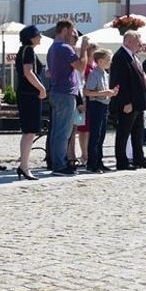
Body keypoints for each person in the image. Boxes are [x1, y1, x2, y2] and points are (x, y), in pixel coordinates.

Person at [47, 20, 89, 175]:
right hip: (65, 93)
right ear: (64, 30)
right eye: (72, 32)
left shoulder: (53, 48)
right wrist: (84, 49)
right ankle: (59, 165)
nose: (74, 35)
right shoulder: (64, 48)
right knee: (64, 132)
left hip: (57, 92)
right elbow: (81, 66)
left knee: (57, 131)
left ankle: (56, 162)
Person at [110, 31, 146, 170]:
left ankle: (139, 158)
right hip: (128, 103)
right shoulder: (120, 57)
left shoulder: (133, 56)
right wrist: (126, 102)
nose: (140, 45)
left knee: (138, 133)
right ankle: (122, 161)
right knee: (123, 133)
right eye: (138, 42)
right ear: (128, 41)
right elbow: (119, 82)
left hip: (138, 102)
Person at [14, 25, 46, 180]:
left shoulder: (24, 50)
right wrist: (41, 88)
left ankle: (24, 165)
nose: (40, 37)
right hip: (29, 94)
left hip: (26, 94)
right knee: (29, 131)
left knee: (29, 131)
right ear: (32, 37)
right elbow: (28, 72)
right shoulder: (28, 50)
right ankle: (24, 166)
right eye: (38, 35)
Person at [84, 48, 117, 172]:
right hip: (96, 106)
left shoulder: (104, 73)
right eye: (108, 59)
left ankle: (99, 161)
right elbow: (88, 92)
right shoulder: (94, 74)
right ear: (100, 61)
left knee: (102, 135)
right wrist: (106, 92)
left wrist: (112, 93)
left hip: (104, 105)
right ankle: (92, 164)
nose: (110, 62)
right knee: (95, 135)